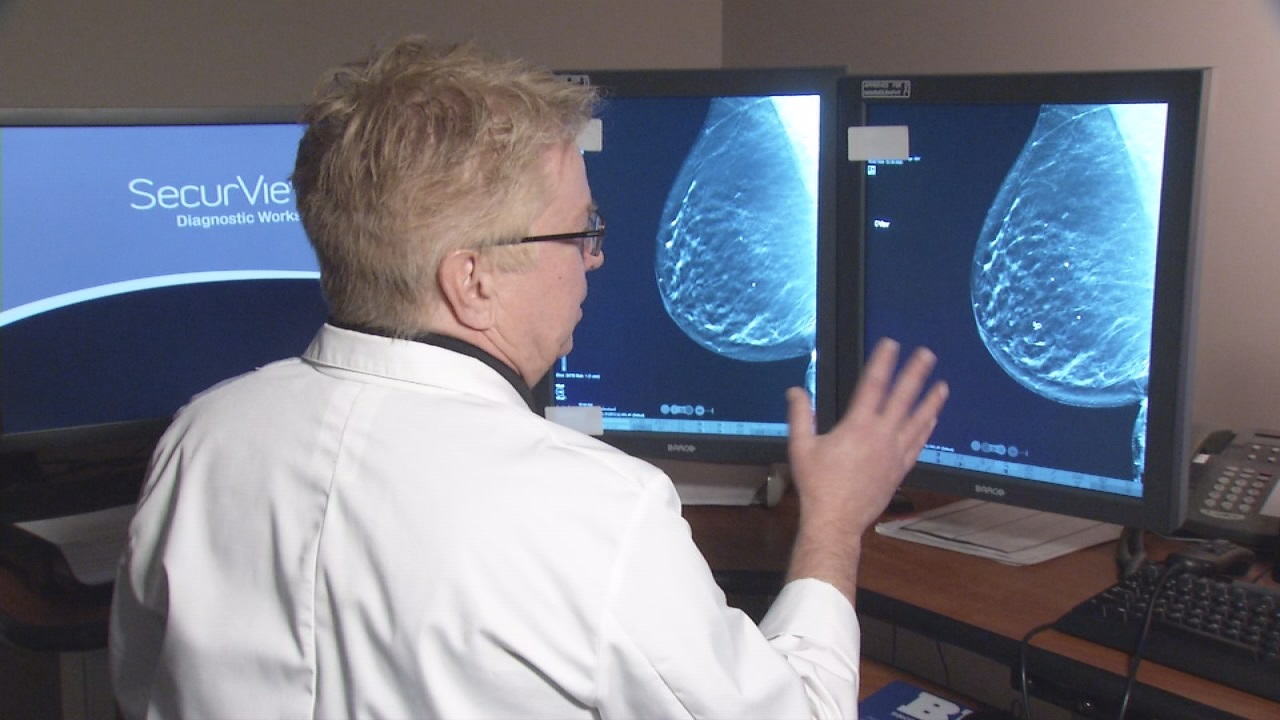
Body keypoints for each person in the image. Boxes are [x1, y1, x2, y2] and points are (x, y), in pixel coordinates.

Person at [109, 35, 948, 719]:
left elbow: (141, 690)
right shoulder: (594, 510)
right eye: (578, 231)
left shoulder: (199, 439)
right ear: (471, 280)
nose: (595, 257)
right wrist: (833, 519)